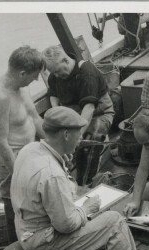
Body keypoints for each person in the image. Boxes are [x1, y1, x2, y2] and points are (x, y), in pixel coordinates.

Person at [10, 106, 139, 250]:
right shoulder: (51, 173)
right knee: (114, 221)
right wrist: (85, 209)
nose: (80, 139)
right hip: (42, 242)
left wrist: (62, 164)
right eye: (78, 134)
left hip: (25, 230)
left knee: (94, 208)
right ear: (66, 134)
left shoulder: (30, 150)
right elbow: (66, 225)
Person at [0, 46, 45, 243]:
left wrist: (56, 145)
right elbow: (1, 143)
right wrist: (18, 176)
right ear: (22, 73)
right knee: (15, 205)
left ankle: (36, 238)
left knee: (34, 201)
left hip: (29, 153)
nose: (37, 80)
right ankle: (15, 247)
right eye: (34, 76)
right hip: (11, 158)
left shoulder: (22, 87)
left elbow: (34, 117)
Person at [42, 46, 115, 186]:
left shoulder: (87, 73)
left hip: (98, 114)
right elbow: (53, 95)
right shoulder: (55, 76)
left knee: (90, 137)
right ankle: (62, 177)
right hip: (72, 115)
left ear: (65, 60)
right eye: (53, 73)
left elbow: (89, 107)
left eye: (57, 71)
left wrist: (79, 134)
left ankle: (85, 182)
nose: (56, 75)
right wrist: (58, 117)